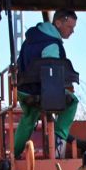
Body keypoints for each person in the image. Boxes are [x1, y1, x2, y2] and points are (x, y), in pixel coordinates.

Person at [14, 9, 79, 159]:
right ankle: (58, 144)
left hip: (23, 90)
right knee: (72, 101)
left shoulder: (30, 39)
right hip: (39, 90)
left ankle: (14, 153)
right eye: (70, 27)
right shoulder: (52, 44)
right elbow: (52, 75)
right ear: (58, 23)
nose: (72, 31)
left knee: (30, 116)